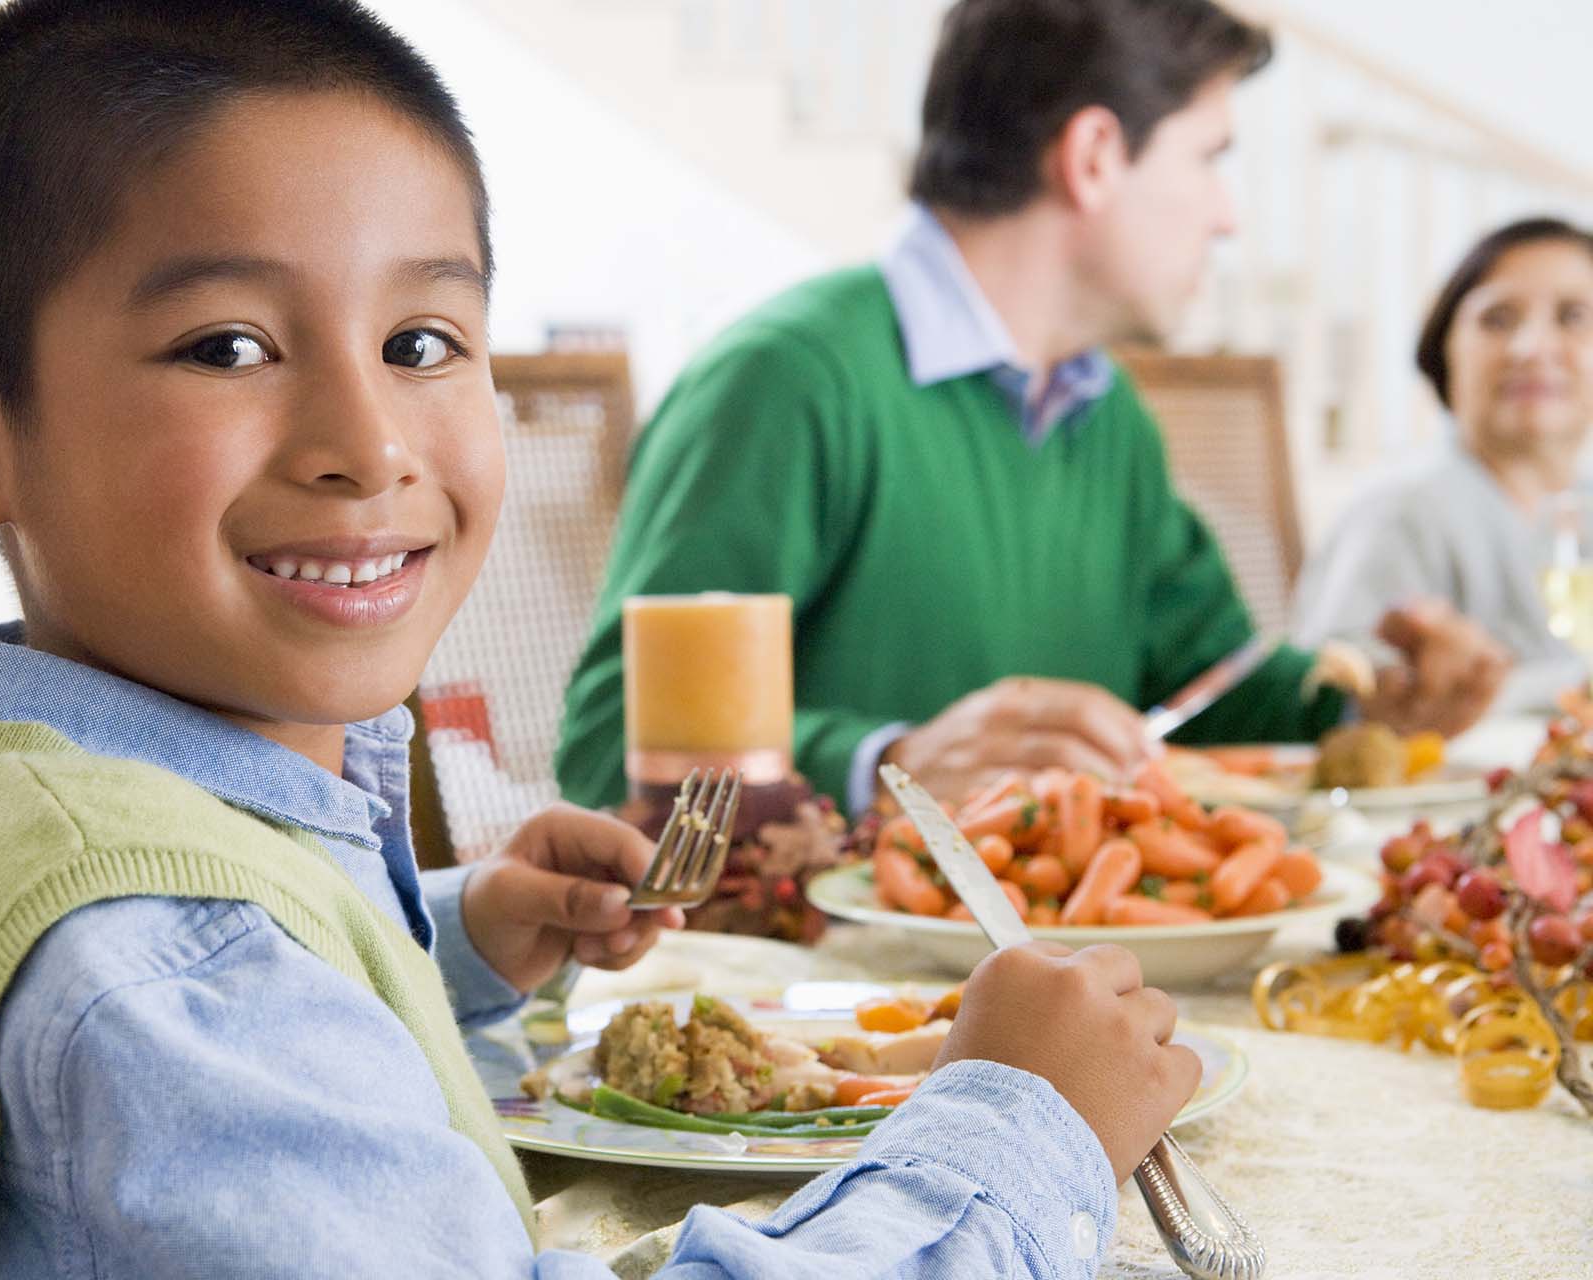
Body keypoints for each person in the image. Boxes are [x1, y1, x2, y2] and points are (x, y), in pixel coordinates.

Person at [0, 2, 1203, 1276]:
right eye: (227, 347)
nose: (367, 446)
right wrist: (1014, 1130)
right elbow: (221, 1012)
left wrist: (453, 937)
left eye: (422, 343)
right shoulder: (173, 968)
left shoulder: (30, 798)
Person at [555, 0, 1507, 817]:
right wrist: (889, 763)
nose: (1228, 216)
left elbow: (1204, 692)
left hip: (1043, 964)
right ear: (1094, 156)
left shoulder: (1106, 411)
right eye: (1210, 159)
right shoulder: (788, 379)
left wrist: (1368, 705)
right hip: (819, 994)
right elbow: (610, 752)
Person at [1294, 217, 1593, 711]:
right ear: (1444, 349)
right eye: (1497, 319)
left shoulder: (1577, 508)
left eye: (1574, 316)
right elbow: (1327, 697)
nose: (1531, 347)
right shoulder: (1401, 515)